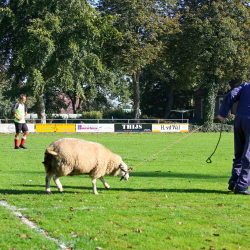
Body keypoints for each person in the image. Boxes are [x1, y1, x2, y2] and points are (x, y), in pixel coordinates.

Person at [218, 82, 250, 195]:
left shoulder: (246, 85)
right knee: (248, 155)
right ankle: (241, 186)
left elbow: (231, 94)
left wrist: (223, 112)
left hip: (239, 121)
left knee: (240, 153)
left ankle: (234, 180)